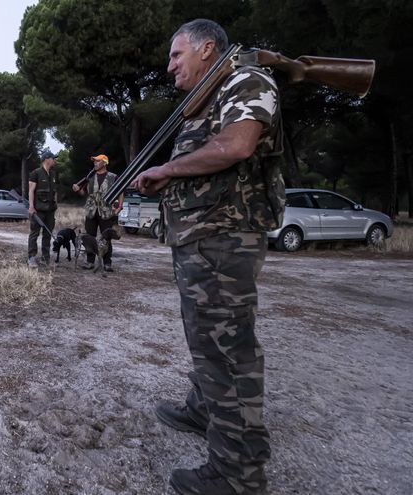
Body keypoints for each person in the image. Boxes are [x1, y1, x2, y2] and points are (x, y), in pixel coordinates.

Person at [131, 19, 283, 495]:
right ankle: (204, 409)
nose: (170, 66)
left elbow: (236, 145)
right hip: (200, 238)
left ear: (207, 49)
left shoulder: (246, 80)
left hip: (225, 237)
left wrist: (167, 168)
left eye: (177, 56)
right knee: (205, 338)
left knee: (227, 350)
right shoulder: (207, 100)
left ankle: (238, 473)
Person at [71, 154, 121, 271]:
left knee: (106, 238)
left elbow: (120, 191)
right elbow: (83, 193)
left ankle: (107, 263)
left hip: (106, 211)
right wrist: (78, 190)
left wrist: (120, 205)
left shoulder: (113, 177)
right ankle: (90, 262)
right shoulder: (90, 177)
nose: (95, 163)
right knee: (89, 237)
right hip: (91, 211)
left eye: (97, 161)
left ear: (104, 163)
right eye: (94, 161)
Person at [27, 150, 59, 268]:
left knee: (48, 234)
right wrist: (31, 206)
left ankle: (46, 258)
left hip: (50, 210)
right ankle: (31, 258)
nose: (55, 160)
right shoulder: (36, 173)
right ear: (46, 159)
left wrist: (56, 204)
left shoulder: (53, 174)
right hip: (38, 210)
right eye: (53, 158)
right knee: (34, 234)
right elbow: (31, 190)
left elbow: (55, 190)